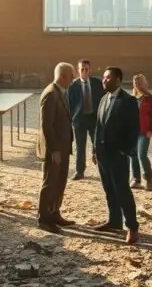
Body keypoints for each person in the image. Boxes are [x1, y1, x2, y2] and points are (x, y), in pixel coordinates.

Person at [91, 67, 141, 245]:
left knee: (122, 191)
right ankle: (114, 221)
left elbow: (134, 129)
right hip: (103, 154)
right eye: (104, 78)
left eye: (108, 78)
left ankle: (132, 227)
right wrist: (94, 149)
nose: (104, 81)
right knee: (109, 189)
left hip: (118, 155)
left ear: (118, 80)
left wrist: (125, 150)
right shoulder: (104, 99)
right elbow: (98, 126)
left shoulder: (128, 101)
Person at [37, 63, 77, 233]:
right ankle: (44, 218)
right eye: (71, 76)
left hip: (62, 147)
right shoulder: (51, 94)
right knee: (50, 183)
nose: (73, 79)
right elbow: (47, 126)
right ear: (63, 77)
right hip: (54, 150)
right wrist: (54, 150)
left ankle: (54, 213)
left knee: (60, 182)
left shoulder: (61, 92)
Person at [67, 59, 104, 180]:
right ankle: (79, 171)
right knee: (80, 146)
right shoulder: (72, 86)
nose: (84, 71)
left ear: (90, 70)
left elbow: (103, 100)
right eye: (81, 69)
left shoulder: (97, 84)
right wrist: (73, 118)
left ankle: (103, 170)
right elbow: (69, 104)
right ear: (78, 71)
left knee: (99, 145)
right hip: (80, 120)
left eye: (86, 69)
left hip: (94, 119)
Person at [130, 74, 152, 191]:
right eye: (135, 83)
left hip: (145, 131)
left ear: (143, 83)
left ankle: (149, 179)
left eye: (138, 82)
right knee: (133, 155)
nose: (137, 85)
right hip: (133, 131)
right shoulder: (132, 98)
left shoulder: (150, 98)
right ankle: (136, 179)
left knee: (142, 155)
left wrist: (151, 129)